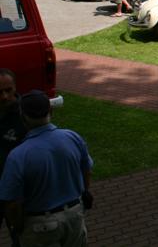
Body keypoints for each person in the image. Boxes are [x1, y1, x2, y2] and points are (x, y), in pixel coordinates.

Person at [0, 90, 93, 247]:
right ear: (50, 111)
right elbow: (87, 170)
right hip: (74, 215)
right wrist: (84, 193)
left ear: (23, 117)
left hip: (40, 225)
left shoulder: (18, 155)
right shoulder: (72, 137)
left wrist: (17, 226)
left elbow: (12, 202)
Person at [0, 70, 26, 247]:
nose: (4, 96)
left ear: (15, 87)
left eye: (8, 90)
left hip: (17, 191)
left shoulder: (25, 115)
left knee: (20, 237)